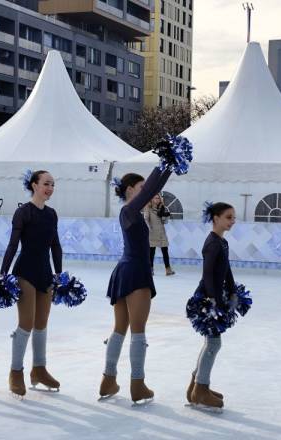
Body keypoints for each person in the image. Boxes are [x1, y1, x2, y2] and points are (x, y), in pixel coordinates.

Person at [99, 163, 174, 405]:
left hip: (124, 271)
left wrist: (169, 167)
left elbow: (153, 188)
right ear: (130, 190)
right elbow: (151, 188)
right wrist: (164, 164)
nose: (146, 192)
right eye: (141, 189)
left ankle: (108, 380)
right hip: (135, 272)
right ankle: (137, 384)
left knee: (120, 329)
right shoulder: (130, 210)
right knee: (138, 331)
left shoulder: (131, 212)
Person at [1, 170, 63, 397]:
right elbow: (12, 245)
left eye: (53, 184)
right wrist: (3, 274)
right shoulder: (23, 212)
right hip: (24, 272)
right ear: (34, 185)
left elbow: (55, 246)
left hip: (45, 274)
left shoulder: (52, 214)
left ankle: (39, 369)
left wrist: (59, 275)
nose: (50, 188)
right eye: (46, 183)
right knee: (26, 323)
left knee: (42, 324)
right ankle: (15, 372)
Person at [185, 202, 236, 410]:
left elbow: (227, 269)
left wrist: (232, 290)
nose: (232, 221)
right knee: (214, 344)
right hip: (208, 299)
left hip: (216, 297)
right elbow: (207, 274)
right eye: (228, 217)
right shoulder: (212, 243)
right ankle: (200, 389)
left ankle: (196, 387)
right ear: (216, 218)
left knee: (211, 343)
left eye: (233, 217)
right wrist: (213, 300)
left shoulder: (222, 242)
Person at [144, 194, 175, 276]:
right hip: (152, 232)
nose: (157, 200)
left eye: (158, 198)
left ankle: (168, 269)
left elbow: (164, 222)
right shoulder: (148, 208)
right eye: (155, 198)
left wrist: (165, 216)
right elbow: (146, 219)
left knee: (165, 251)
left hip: (161, 232)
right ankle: (150, 269)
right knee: (151, 252)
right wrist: (148, 227)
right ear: (152, 199)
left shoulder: (162, 208)